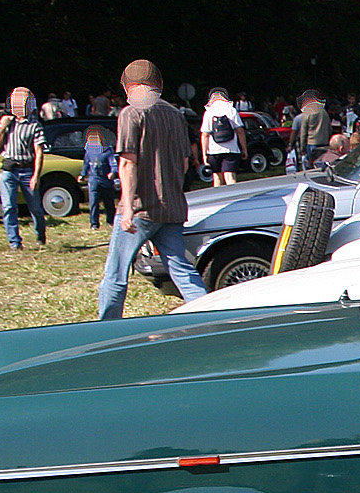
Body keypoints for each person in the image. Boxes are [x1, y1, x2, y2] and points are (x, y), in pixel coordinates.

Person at [98, 58, 208, 319]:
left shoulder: (131, 112)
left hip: (140, 208)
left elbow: (127, 163)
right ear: (157, 84)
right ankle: (208, 316)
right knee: (181, 268)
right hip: (171, 206)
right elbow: (184, 163)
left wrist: (126, 209)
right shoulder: (175, 114)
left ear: (129, 86)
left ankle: (105, 328)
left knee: (116, 273)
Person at [0, 86, 47, 248]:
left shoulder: (35, 125)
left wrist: (36, 175)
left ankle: (40, 235)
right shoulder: (8, 123)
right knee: (8, 206)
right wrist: (2, 128)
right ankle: (14, 242)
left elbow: (39, 152)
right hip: (9, 169)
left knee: (35, 208)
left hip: (27, 169)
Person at [200, 86, 246, 187]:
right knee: (230, 177)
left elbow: (205, 135)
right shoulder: (231, 110)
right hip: (231, 149)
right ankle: (234, 197)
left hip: (213, 150)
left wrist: (204, 154)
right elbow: (240, 131)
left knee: (217, 177)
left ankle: (219, 200)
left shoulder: (208, 112)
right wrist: (244, 149)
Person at [81, 125, 116, 229]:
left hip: (106, 181)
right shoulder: (89, 152)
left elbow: (113, 164)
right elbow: (86, 164)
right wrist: (83, 175)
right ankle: (94, 223)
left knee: (109, 202)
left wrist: (113, 173)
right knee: (93, 202)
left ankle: (110, 221)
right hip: (93, 180)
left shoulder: (108, 151)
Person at [292, 89, 330, 167]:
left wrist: (302, 146)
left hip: (312, 142)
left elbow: (303, 131)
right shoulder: (324, 112)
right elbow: (329, 128)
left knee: (312, 165)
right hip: (325, 142)